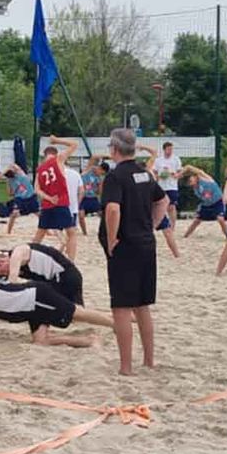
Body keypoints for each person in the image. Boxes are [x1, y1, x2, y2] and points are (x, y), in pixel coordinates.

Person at [101, 128, 167, 375]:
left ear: (114, 149)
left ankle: (126, 367)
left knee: (121, 308)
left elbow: (112, 210)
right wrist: (152, 225)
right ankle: (149, 361)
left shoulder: (116, 176)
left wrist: (111, 239)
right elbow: (163, 201)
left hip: (125, 247)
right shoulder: (145, 174)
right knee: (142, 306)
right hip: (146, 244)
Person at [0, 274, 113, 347]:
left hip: (35, 297)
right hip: (30, 310)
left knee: (78, 314)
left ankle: (116, 324)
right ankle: (89, 340)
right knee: (41, 341)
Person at [30, 135, 81, 260]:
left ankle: (29, 255)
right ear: (55, 153)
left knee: (40, 233)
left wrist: (48, 197)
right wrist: (57, 140)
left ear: (44, 156)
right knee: (71, 232)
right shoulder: (58, 160)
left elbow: (36, 189)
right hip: (61, 203)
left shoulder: (40, 169)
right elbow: (75, 144)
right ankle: (71, 261)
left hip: (47, 205)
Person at [136, 144, 182, 258]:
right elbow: (154, 152)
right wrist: (142, 147)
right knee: (167, 230)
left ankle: (139, 254)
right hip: (154, 205)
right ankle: (177, 254)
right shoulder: (149, 173)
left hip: (142, 206)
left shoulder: (135, 177)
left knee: (139, 232)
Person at [178, 166, 227, 238]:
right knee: (197, 220)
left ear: (196, 177)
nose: (189, 180)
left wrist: (182, 171)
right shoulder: (195, 188)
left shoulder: (205, 179)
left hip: (217, 202)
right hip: (206, 204)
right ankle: (186, 236)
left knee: (220, 219)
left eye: (191, 177)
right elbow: (204, 197)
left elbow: (191, 168)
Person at [1, 165, 41, 235]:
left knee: (38, 214)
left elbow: (14, 165)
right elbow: (10, 193)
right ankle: (8, 231)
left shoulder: (20, 174)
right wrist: (8, 182)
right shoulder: (11, 180)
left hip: (29, 196)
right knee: (14, 214)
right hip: (21, 198)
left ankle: (45, 230)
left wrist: (8, 169)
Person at [152, 141, 184, 215]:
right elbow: (154, 171)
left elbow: (180, 172)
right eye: (168, 149)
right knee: (161, 206)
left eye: (171, 149)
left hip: (172, 186)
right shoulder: (158, 160)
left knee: (172, 207)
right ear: (164, 150)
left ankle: (172, 226)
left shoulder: (176, 159)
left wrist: (175, 175)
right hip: (161, 186)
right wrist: (159, 176)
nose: (170, 151)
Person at [77, 160, 107, 233]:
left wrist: (101, 184)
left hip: (93, 198)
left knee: (103, 215)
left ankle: (105, 230)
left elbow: (99, 192)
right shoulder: (88, 170)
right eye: (101, 173)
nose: (100, 174)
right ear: (99, 168)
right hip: (83, 197)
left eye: (103, 174)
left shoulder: (99, 178)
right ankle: (85, 232)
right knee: (81, 216)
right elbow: (94, 157)